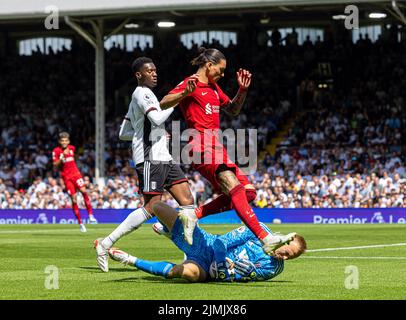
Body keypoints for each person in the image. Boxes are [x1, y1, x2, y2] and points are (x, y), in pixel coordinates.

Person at [160, 47, 284, 254]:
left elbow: (233, 110)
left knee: (249, 192)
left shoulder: (214, 88)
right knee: (233, 186)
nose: (223, 74)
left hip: (217, 147)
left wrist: (242, 91)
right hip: (199, 145)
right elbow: (163, 103)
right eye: (221, 69)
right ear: (209, 65)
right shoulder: (190, 83)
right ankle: (265, 237)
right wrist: (185, 93)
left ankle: (194, 214)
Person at [94, 57, 195, 272]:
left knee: (187, 200)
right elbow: (157, 119)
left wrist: (153, 133)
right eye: (149, 71)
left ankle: (189, 255)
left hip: (163, 157)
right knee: (150, 208)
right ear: (139, 75)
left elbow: (123, 133)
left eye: (155, 70)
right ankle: (105, 244)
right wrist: (181, 97)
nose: (154, 73)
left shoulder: (137, 98)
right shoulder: (143, 93)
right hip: (150, 158)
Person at [108, 202, 306, 283]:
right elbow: (221, 242)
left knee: (183, 273)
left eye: (291, 257)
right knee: (158, 206)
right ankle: (171, 232)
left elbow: (240, 277)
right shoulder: (259, 229)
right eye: (287, 250)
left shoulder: (275, 269)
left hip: (206, 270)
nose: (285, 257)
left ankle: (129, 259)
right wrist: (222, 263)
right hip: (206, 245)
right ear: (283, 239)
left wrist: (230, 274)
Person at [52, 132, 97, 232]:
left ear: (68, 141)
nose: (64, 142)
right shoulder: (57, 151)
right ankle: (81, 223)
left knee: (84, 191)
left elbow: (74, 158)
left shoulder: (72, 148)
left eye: (66, 140)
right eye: (62, 140)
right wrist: (62, 157)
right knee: (74, 199)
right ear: (59, 141)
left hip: (76, 174)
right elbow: (55, 164)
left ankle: (90, 215)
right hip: (67, 178)